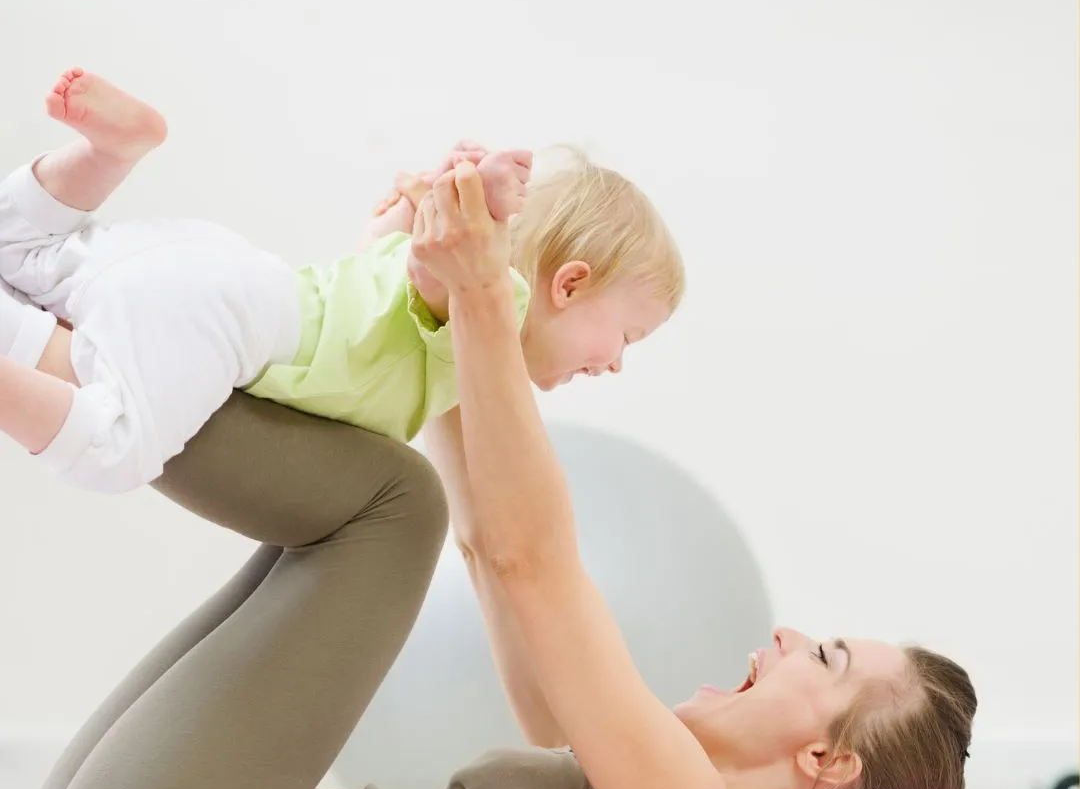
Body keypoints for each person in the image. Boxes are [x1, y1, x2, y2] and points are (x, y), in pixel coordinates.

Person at [22, 162, 1067, 789]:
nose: (792, 635)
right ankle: (70, 351)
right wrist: (442, 313)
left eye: (829, 659)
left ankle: (82, 365)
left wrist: (483, 296)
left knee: (390, 508)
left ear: (825, 764)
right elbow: (492, 551)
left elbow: (533, 559)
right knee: (382, 493)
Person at [0, 68, 679, 491]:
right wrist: (489, 206)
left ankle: (110, 152)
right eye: (628, 334)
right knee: (111, 448)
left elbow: (380, 256)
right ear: (569, 283)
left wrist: (433, 193)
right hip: (223, 321)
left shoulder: (413, 289)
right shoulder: (490, 301)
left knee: (19, 248)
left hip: (207, 263)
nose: (617, 362)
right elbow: (439, 280)